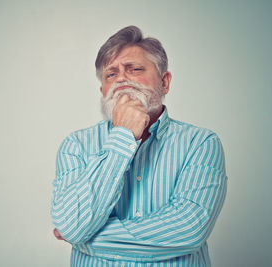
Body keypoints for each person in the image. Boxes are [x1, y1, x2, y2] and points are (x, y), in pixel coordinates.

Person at [51, 25, 227, 266]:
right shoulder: (76, 145)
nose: (121, 78)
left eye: (134, 69)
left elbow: (189, 231)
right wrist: (123, 136)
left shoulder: (202, 144)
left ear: (165, 82)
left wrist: (84, 237)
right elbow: (71, 225)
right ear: (103, 90)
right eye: (111, 74)